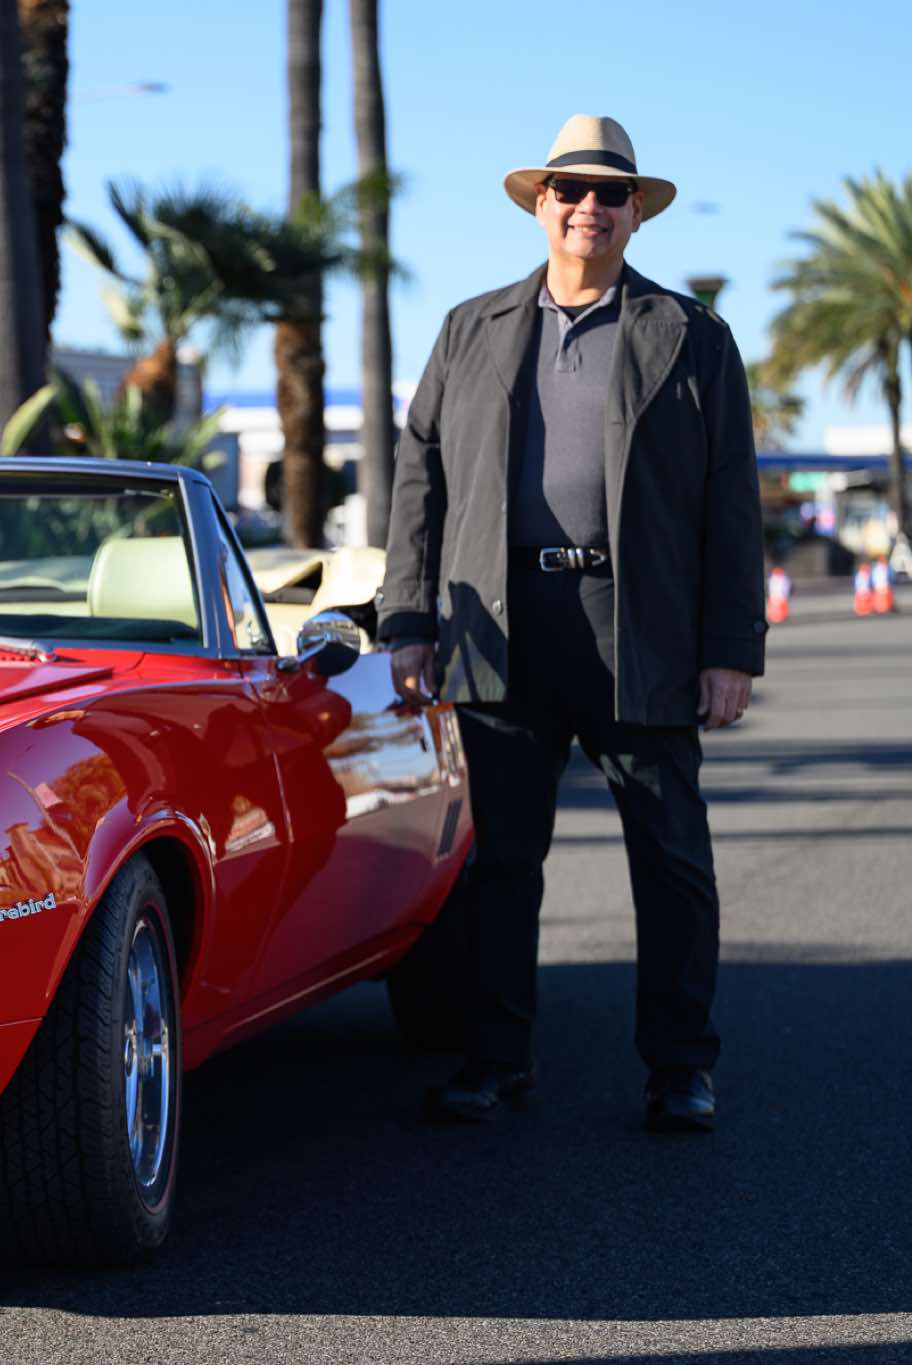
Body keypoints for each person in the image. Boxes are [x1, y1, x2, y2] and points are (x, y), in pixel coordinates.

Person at [378, 114, 765, 1132]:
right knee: (501, 862)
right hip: (500, 623)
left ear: (635, 213)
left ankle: (680, 1068)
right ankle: (495, 1060)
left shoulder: (692, 335)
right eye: (571, 189)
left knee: (670, 857)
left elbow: (732, 499)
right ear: (540, 204)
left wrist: (730, 649)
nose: (589, 206)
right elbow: (418, 478)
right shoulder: (469, 328)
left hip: (638, 625)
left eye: (610, 193)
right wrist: (408, 617)